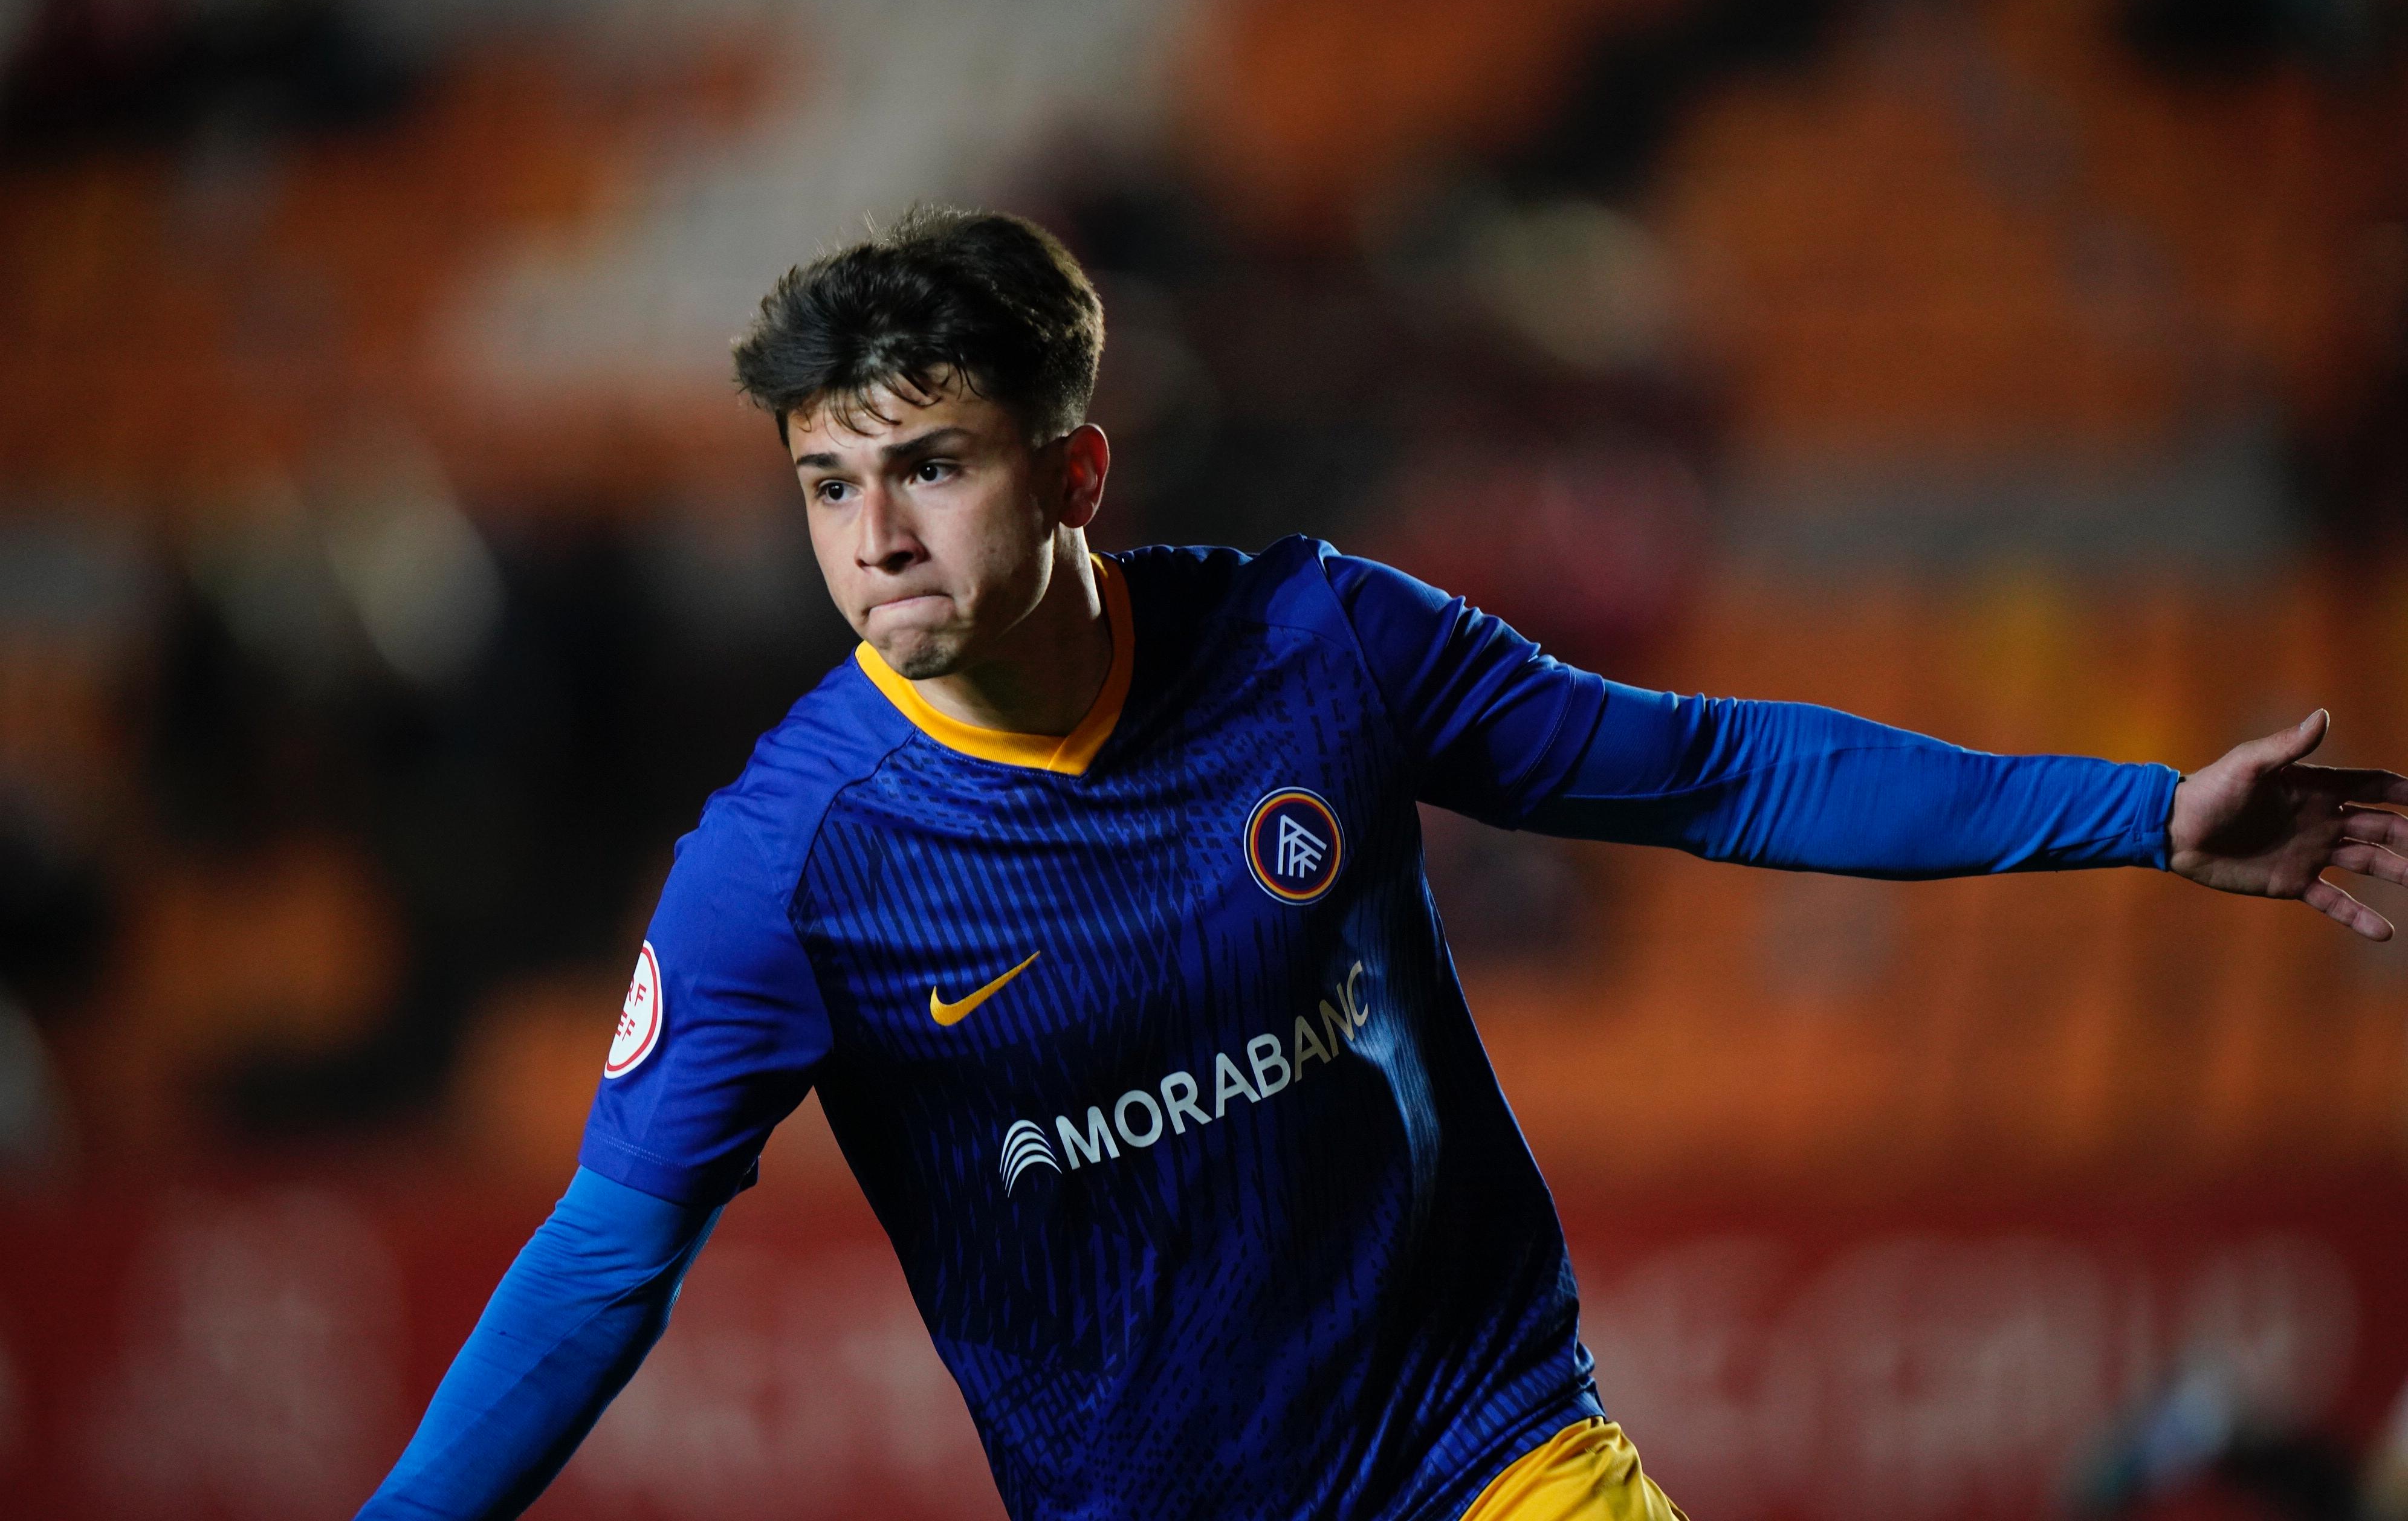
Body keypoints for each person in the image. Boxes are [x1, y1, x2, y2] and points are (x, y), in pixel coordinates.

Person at [354, 206, 2408, 1521]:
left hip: (1488, 1447)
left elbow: (1709, 776)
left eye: (930, 466)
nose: (872, 536)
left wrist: (2137, 813)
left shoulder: (1318, 646)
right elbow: (603, 1265)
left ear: (1075, 469)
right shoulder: (789, 870)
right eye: (826, 484)